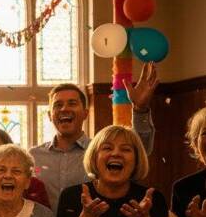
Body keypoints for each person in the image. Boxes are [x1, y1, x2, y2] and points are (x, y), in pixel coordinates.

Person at [30, 75, 157, 209]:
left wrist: (140, 110)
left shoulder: (101, 153)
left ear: (85, 113)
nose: (64, 109)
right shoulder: (33, 156)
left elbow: (139, 150)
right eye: (58, 105)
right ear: (50, 115)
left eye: (72, 103)